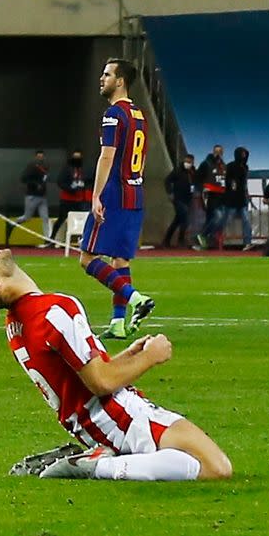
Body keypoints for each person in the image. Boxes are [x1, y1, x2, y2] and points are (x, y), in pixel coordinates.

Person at [0, 248, 233, 481]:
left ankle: (99, 458)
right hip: (120, 416)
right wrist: (151, 356)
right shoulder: (55, 309)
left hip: (94, 426)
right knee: (215, 468)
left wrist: (127, 357)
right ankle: (97, 466)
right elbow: (101, 382)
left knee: (187, 462)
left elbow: (77, 378)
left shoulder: (17, 324)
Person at [79, 58, 154, 340]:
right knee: (120, 260)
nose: (102, 78)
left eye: (108, 74)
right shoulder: (139, 115)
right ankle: (119, 324)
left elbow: (107, 155)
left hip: (115, 192)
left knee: (86, 259)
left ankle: (135, 298)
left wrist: (96, 195)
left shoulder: (114, 114)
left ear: (120, 81)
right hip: (136, 191)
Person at [5, 150, 50, 246]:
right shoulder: (31, 167)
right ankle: (12, 224)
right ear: (35, 157)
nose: (40, 159)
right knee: (27, 217)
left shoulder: (45, 167)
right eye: (39, 157)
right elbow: (23, 179)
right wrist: (35, 184)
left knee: (45, 218)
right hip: (32, 195)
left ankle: (47, 240)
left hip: (42, 196)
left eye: (42, 157)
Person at [50, 149, 89, 244]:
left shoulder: (82, 170)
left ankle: (82, 241)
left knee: (82, 220)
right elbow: (60, 182)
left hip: (79, 200)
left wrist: (83, 187)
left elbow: (87, 181)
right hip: (67, 199)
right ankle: (51, 239)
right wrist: (70, 188)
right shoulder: (66, 169)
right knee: (61, 219)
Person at [193, 144, 227, 250]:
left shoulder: (223, 165)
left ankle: (204, 241)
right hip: (210, 195)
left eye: (220, 152)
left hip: (221, 196)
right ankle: (203, 235)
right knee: (218, 216)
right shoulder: (206, 164)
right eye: (216, 151)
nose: (218, 154)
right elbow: (197, 178)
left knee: (212, 219)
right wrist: (200, 190)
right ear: (213, 152)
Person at [222, 146, 254, 250]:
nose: (244, 156)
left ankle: (248, 242)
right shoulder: (231, 166)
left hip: (242, 199)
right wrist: (232, 187)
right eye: (242, 154)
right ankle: (218, 239)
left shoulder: (245, 166)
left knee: (246, 220)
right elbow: (228, 181)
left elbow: (244, 183)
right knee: (226, 220)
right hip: (232, 198)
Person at [162, 153, 195, 248]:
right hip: (178, 198)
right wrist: (170, 192)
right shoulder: (177, 170)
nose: (188, 163)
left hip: (188, 199)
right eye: (187, 161)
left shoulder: (193, 171)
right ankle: (181, 240)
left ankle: (166, 240)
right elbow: (167, 180)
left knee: (177, 220)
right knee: (185, 219)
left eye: (190, 162)